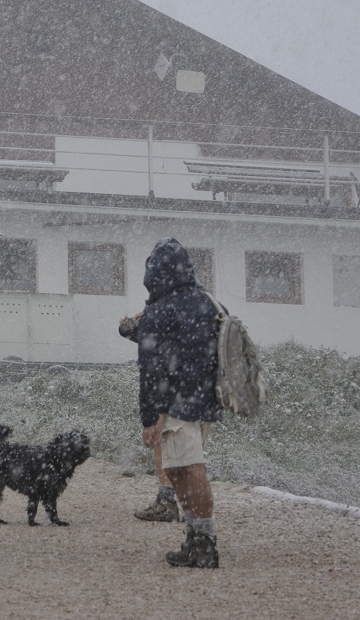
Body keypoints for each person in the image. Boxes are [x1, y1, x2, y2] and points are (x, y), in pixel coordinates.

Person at [135, 237, 223, 568]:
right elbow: (195, 345)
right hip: (205, 401)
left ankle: (204, 543)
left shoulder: (159, 310)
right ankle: (197, 538)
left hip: (177, 403)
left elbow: (152, 369)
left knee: (189, 469)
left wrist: (150, 417)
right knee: (179, 469)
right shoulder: (207, 302)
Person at [119, 308, 181, 523]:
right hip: (194, 389)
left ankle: (168, 501)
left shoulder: (165, 311)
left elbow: (153, 359)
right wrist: (128, 329)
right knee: (179, 447)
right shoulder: (188, 306)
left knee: (163, 441)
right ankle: (188, 506)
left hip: (173, 388)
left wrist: (151, 418)